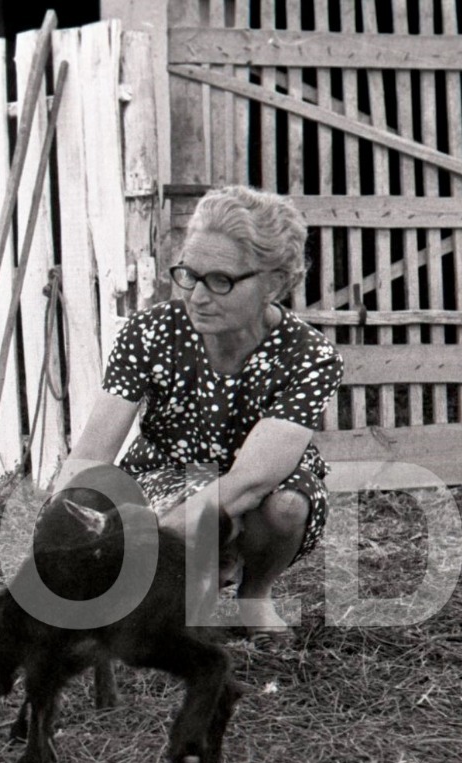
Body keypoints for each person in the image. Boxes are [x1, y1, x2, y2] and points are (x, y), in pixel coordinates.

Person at [57, 184, 343, 638]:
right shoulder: (150, 332)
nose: (197, 295)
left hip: (256, 490)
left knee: (287, 505)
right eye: (189, 273)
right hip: (165, 476)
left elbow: (250, 482)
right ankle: (192, 585)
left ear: (275, 282)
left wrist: (144, 543)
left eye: (221, 280)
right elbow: (91, 454)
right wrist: (67, 529)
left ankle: (254, 596)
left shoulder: (309, 356)